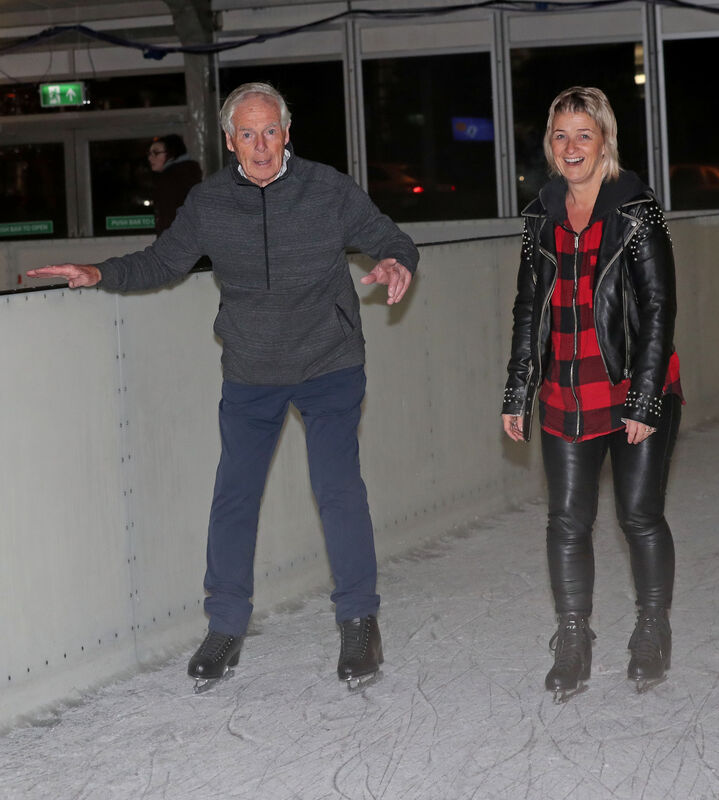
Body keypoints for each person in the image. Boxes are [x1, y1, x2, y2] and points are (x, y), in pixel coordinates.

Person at [28, 82, 419, 692]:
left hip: (328, 361)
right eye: (247, 133)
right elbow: (162, 261)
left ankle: (359, 621)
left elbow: (391, 238)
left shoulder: (327, 189)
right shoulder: (209, 203)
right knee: (234, 497)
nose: (260, 145)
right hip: (251, 370)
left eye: (270, 131)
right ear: (230, 140)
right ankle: (225, 626)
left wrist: (398, 262)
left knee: (338, 489)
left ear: (286, 134)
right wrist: (97, 272)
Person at [501, 87, 683, 700]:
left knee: (639, 515)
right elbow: (530, 306)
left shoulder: (636, 209)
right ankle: (573, 634)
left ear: (604, 139)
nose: (571, 147)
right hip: (566, 390)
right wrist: (517, 388)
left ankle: (652, 627)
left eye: (584, 134)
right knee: (568, 520)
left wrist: (647, 395)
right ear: (549, 146)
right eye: (560, 135)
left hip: (631, 385)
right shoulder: (541, 216)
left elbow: (658, 306)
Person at [147, 134, 202, 235]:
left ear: (172, 153)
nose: (150, 158)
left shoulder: (170, 179)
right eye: (149, 153)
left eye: (156, 153)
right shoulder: (188, 174)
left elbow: (168, 218)